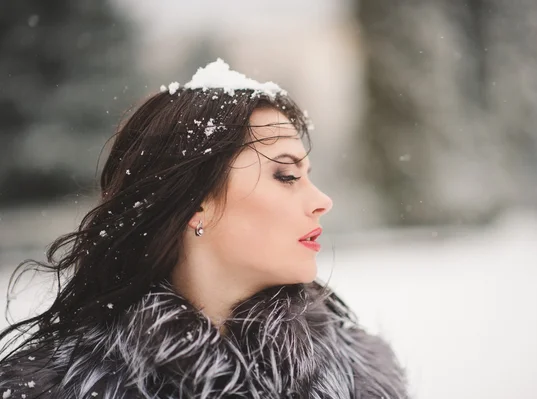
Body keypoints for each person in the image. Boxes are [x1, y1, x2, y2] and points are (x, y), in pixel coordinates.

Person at [0, 59, 409, 398]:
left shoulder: (363, 380)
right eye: (286, 175)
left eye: (307, 175)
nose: (323, 200)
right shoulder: (52, 388)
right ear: (195, 202)